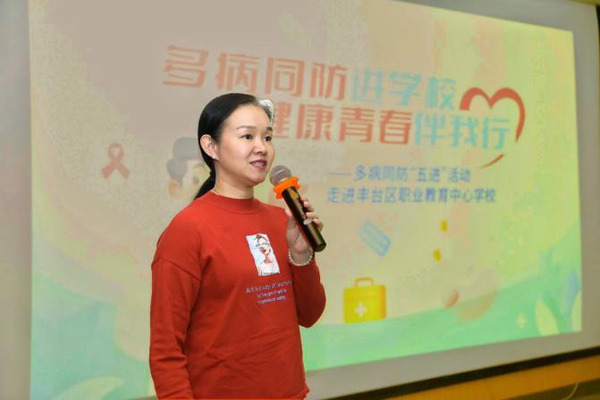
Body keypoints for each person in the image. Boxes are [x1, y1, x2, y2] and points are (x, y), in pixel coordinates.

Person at [149, 93, 326, 399]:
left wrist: (301, 254)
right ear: (211, 146)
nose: (262, 148)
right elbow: (166, 349)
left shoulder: (281, 221)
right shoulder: (187, 230)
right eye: (247, 136)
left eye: (267, 137)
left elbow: (309, 315)